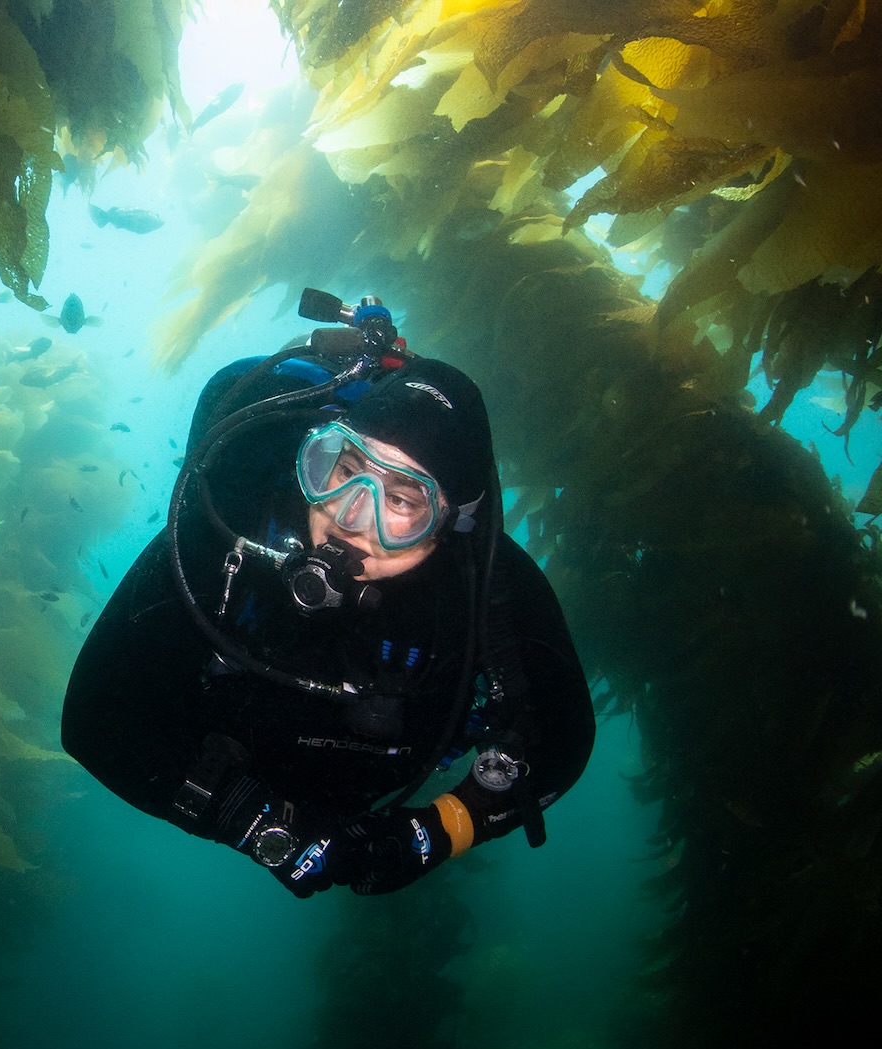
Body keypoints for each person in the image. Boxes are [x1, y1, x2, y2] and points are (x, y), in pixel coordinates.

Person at [61, 292, 595, 897]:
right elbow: (94, 720)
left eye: (400, 501)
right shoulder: (234, 531)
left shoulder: (485, 589)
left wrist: (436, 833)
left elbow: (561, 738)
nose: (350, 516)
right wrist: (251, 821)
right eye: (342, 470)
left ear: (450, 526)